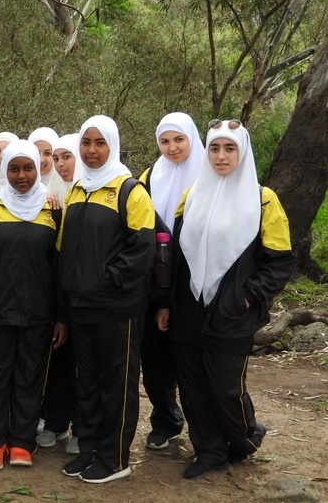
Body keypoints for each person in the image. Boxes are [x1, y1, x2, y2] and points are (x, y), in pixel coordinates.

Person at [167, 119, 292, 479]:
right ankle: (208, 451)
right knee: (192, 389)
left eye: (230, 148)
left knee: (225, 390)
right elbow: (175, 257)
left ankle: (244, 437)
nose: (221, 156)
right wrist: (166, 303)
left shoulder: (262, 199)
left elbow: (280, 261)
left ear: (243, 152)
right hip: (189, 310)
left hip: (233, 312)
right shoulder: (191, 196)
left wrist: (248, 297)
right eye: (214, 148)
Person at [57, 115, 155, 483]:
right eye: (86, 143)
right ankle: (90, 451)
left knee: (117, 383)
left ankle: (115, 458)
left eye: (100, 143)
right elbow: (67, 247)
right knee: (88, 381)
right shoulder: (78, 189)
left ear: (112, 146)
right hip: (81, 308)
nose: (92, 150)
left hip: (117, 309)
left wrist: (105, 282)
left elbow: (142, 248)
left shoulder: (130, 190)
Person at [0, 139, 66, 470]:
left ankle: (22, 441)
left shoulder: (53, 211)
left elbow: (60, 269)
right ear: (5, 171)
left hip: (39, 314)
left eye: (28, 168)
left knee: (30, 378)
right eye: (15, 169)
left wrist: (61, 317)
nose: (22, 176)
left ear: (38, 169)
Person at [137, 112, 204, 450]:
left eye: (179, 139)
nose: (172, 147)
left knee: (192, 362)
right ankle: (165, 419)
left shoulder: (210, 176)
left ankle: (205, 430)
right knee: (155, 361)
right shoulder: (149, 177)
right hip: (155, 281)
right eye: (165, 141)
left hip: (194, 284)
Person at [37, 132, 80, 453]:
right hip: (52, 287)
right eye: (58, 158)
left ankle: (82, 428)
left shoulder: (93, 191)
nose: (61, 164)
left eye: (67, 157)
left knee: (83, 363)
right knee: (57, 356)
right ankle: (55, 421)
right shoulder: (48, 193)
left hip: (85, 291)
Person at [28, 127, 59, 192]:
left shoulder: (66, 186)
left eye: (47, 153)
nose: (41, 160)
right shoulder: (19, 184)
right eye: (36, 153)